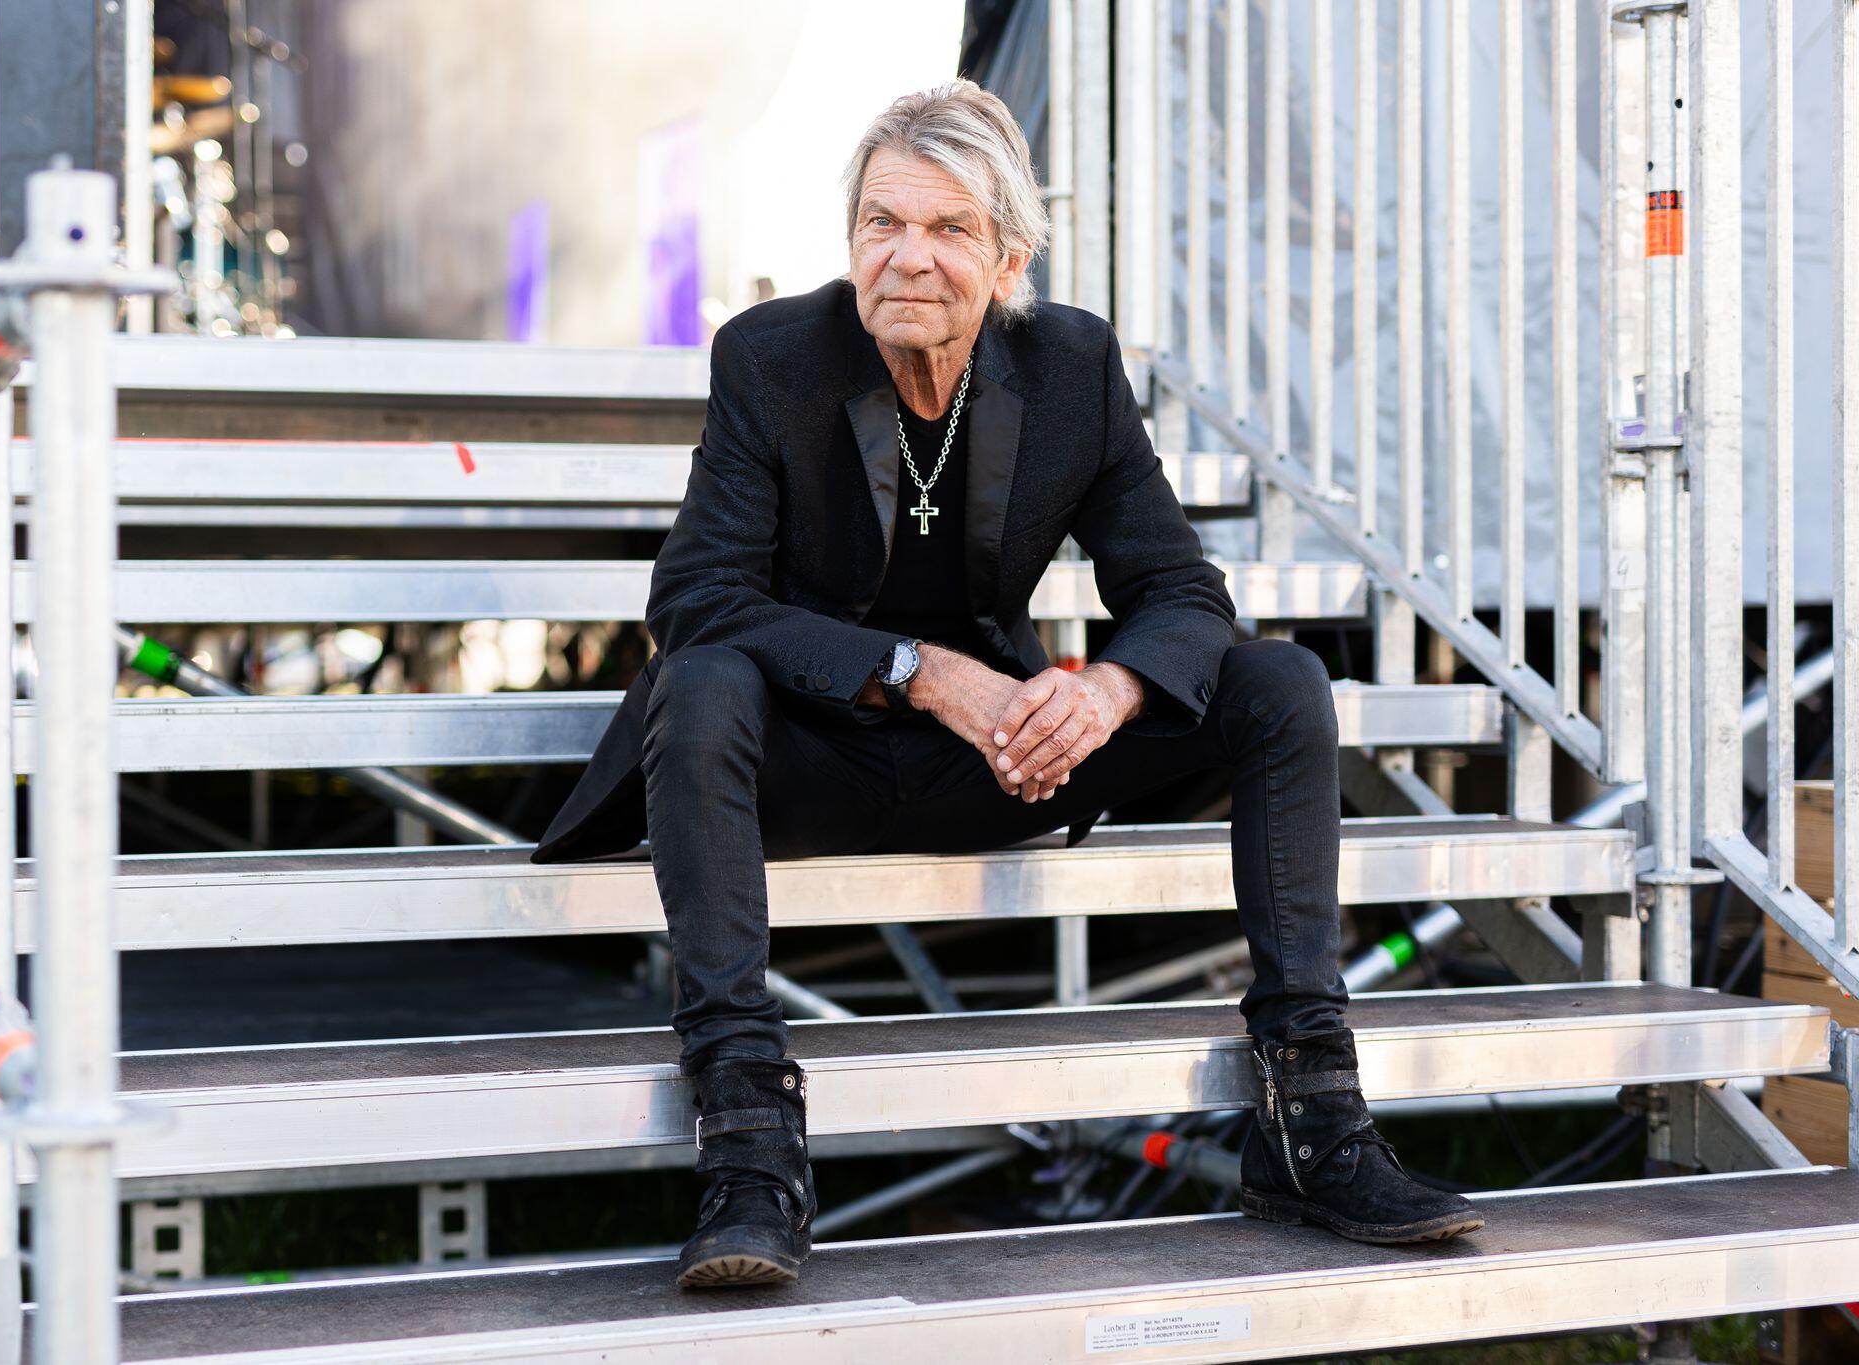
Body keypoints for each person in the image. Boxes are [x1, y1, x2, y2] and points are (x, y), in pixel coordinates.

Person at [531, 79, 1483, 1289]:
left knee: (1280, 682)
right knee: (704, 677)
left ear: (1008, 260)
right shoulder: (769, 358)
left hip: (1001, 761)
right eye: (881, 222)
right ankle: (750, 1145)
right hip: (801, 759)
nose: (906, 257)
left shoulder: (1070, 364)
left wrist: (1103, 696)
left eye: (948, 229)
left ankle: (1311, 1121)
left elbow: (1179, 592)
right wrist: (923, 674)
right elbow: (696, 599)